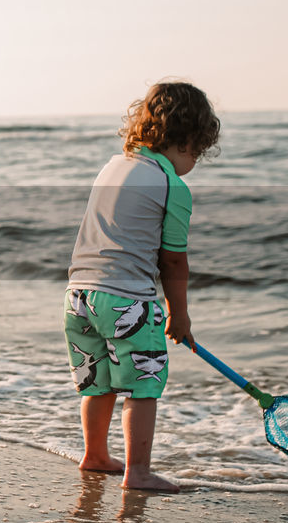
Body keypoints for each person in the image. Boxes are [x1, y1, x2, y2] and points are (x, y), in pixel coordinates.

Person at [64, 81, 220, 491]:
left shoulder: (112, 167)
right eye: (198, 153)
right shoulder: (173, 187)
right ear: (189, 140)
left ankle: (95, 455)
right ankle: (138, 472)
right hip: (127, 299)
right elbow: (172, 259)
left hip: (79, 295)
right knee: (142, 386)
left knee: (97, 383)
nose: (195, 161)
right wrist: (179, 313)